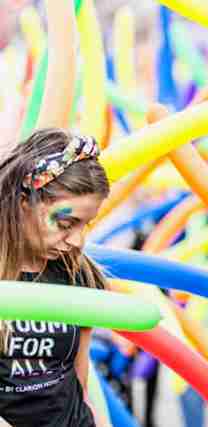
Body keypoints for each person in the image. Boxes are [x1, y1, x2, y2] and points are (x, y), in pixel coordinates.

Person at [0, 128, 110, 427]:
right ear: (24, 203)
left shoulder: (78, 274)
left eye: (85, 225)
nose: (76, 240)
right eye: (65, 223)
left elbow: (81, 382)